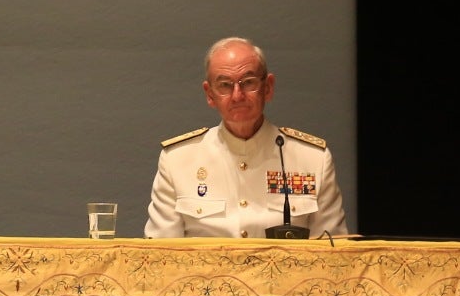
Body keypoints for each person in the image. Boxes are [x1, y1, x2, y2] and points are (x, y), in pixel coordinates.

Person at [143, 36, 348, 239]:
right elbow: (160, 256)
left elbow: (333, 253)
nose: (237, 96)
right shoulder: (177, 160)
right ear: (209, 94)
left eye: (248, 83)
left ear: (267, 87)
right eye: (224, 85)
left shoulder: (312, 160)